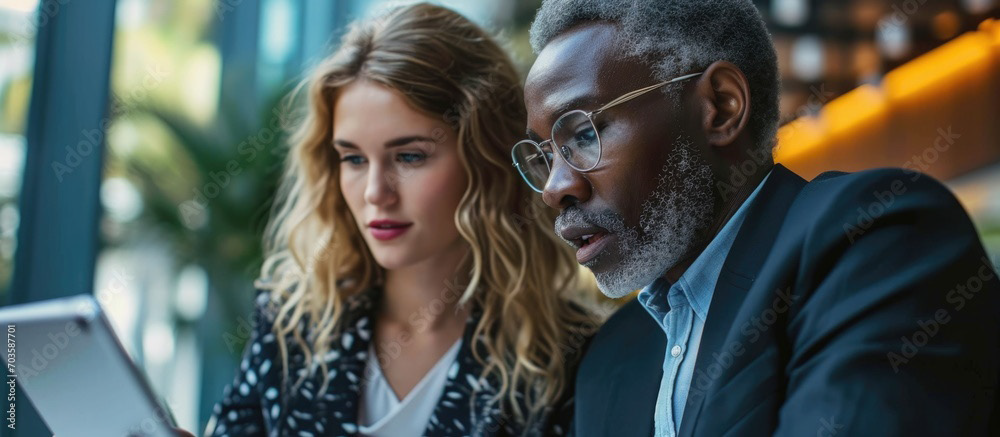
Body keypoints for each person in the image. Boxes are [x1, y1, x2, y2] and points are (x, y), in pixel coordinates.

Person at [512, 0, 1000, 435]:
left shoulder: (877, 237)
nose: (556, 188)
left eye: (582, 133)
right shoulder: (610, 359)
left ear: (721, 107)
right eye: (543, 156)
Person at [200, 3, 596, 436]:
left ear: (489, 158)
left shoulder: (570, 356)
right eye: (352, 158)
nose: (375, 192)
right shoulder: (291, 326)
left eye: (409, 156)